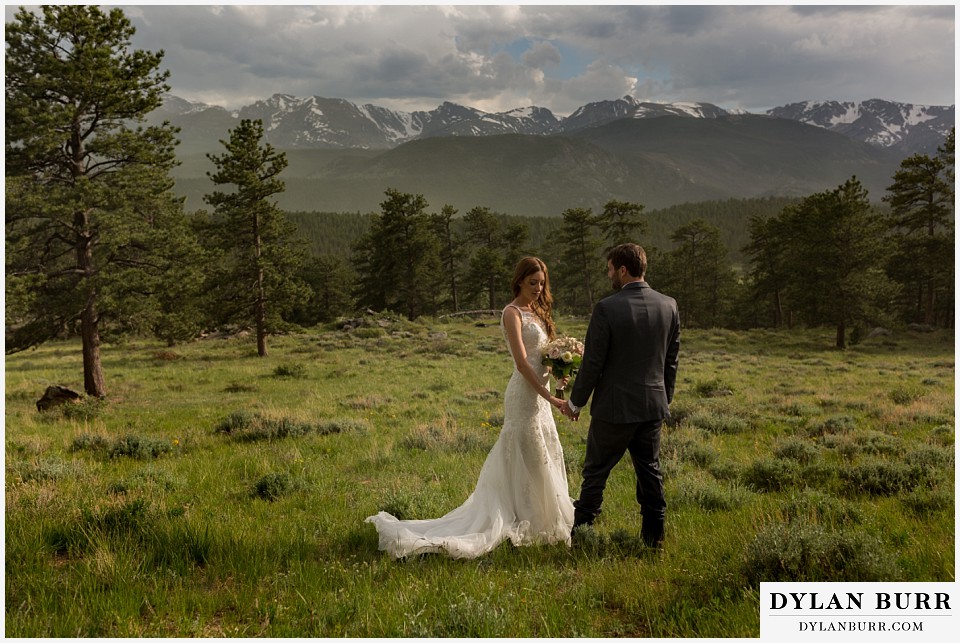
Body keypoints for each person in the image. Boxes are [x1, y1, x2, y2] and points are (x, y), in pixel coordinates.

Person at [365, 257, 574, 559]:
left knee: (542, 449)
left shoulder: (539, 312)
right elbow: (521, 362)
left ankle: (543, 517)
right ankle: (518, 515)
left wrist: (559, 374)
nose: (538, 289)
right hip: (523, 394)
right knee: (524, 450)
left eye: (542, 283)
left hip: (541, 395)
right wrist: (547, 395)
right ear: (519, 281)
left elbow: (542, 358)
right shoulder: (511, 313)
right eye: (532, 283)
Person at [560, 243, 680, 549]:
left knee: (595, 472)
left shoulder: (607, 308)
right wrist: (663, 398)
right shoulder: (669, 305)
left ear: (623, 270)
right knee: (650, 472)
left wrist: (575, 403)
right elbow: (671, 360)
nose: (609, 273)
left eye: (610, 268)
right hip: (652, 406)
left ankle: (583, 539)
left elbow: (593, 363)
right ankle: (655, 541)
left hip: (614, 409)